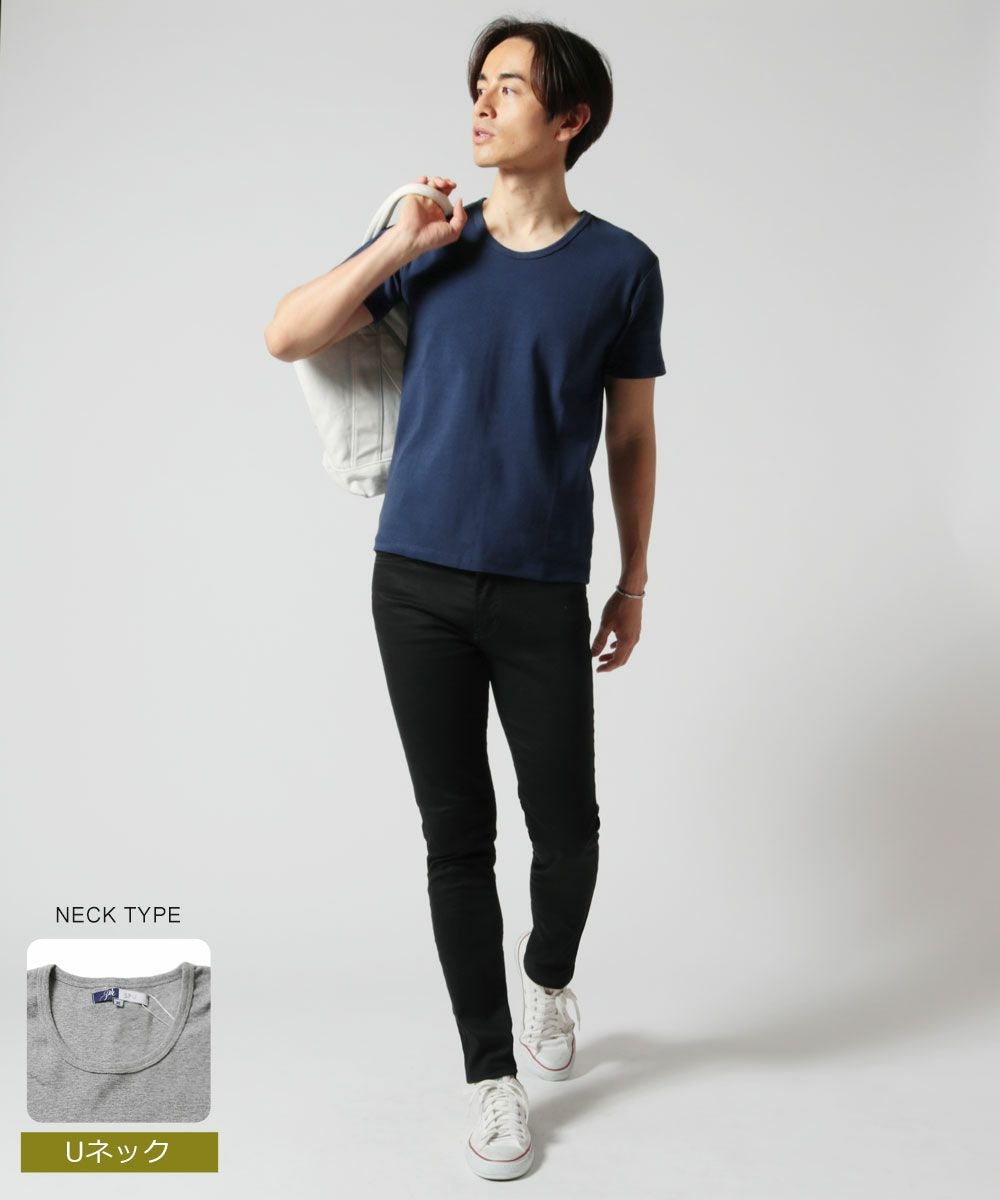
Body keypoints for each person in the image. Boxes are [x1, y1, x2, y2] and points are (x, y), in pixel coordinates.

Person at [265, 16, 665, 1182]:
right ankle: (491, 1076)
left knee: (568, 829)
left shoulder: (621, 267)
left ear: (571, 119)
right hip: (416, 584)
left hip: (543, 586)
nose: (481, 106)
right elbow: (286, 333)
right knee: (456, 838)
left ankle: (549, 977)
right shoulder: (433, 239)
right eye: (478, 85)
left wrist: (632, 580)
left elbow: (631, 437)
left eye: (509, 88)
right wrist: (396, 245)